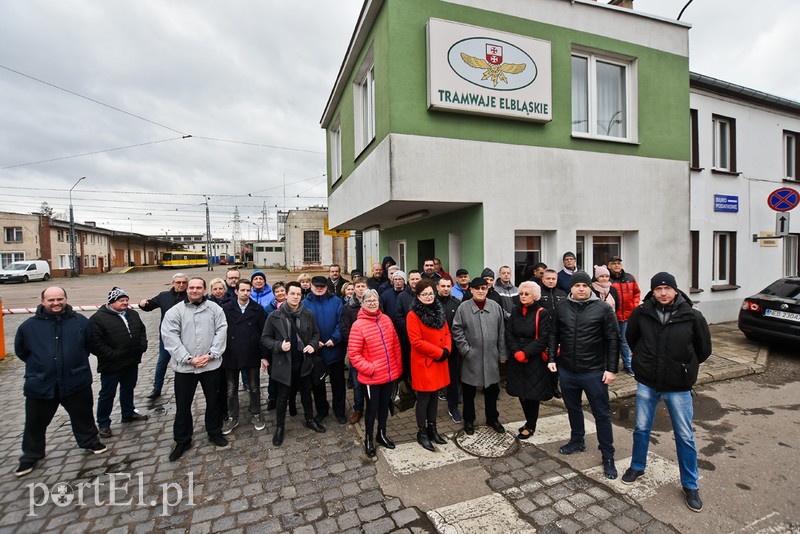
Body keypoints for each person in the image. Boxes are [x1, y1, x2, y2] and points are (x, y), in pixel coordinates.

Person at [622, 272, 712, 513]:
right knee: (641, 427)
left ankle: (690, 485)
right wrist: (643, 360)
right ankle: (637, 466)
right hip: (648, 382)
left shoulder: (692, 316)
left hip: (678, 386)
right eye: (658, 289)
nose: (663, 293)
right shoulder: (642, 313)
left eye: (667, 288)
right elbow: (632, 339)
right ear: (652, 292)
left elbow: (703, 350)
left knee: (684, 435)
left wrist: (684, 368)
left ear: (675, 290)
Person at [14, 287, 108, 477]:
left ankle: (90, 441)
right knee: (35, 422)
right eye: (51, 300)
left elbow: (89, 344)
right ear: (42, 302)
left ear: (66, 299)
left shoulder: (79, 321)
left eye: (59, 299)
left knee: (83, 415)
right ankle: (31, 455)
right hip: (41, 384)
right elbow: (21, 351)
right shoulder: (28, 327)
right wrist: (42, 365)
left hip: (75, 380)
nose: (56, 303)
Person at [548, 271, 620, 479]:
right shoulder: (561, 308)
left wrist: (612, 369)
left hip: (594, 372)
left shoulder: (603, 309)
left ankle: (608, 455)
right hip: (568, 371)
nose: (581, 289)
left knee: (602, 414)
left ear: (590, 287)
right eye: (577, 285)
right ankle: (577, 440)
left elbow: (613, 340)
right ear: (571, 287)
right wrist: (552, 358)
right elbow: (553, 334)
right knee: (573, 408)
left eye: (584, 285)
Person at [161, 277, 229, 461]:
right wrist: (188, 359)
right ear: (187, 290)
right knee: (183, 405)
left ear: (205, 289)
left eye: (198, 287)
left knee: (214, 402)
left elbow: (221, 331)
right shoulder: (175, 312)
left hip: (210, 365)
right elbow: (170, 337)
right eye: (191, 287)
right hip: (185, 368)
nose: (194, 290)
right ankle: (183, 440)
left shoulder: (215, 309)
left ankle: (214, 432)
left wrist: (212, 354)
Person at [261, 281, 326, 446]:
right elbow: (265, 339)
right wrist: (278, 346)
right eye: (293, 294)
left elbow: (316, 333)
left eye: (298, 294)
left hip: (303, 362)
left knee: (306, 393)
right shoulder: (274, 316)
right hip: (284, 363)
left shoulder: (308, 314)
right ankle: (280, 427)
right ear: (286, 295)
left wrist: (312, 345)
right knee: (282, 397)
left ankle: (309, 419)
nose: (296, 297)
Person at [347, 289, 402, 457]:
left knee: (385, 407)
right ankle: (369, 439)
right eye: (368, 300)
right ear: (362, 303)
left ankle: (382, 434)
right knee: (372, 409)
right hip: (371, 378)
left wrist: (397, 367)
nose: (372, 303)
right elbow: (354, 355)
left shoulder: (386, 320)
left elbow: (395, 345)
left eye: (375, 300)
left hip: (389, 373)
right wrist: (370, 369)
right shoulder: (358, 325)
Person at [90, 287, 149, 439]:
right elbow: (95, 342)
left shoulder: (132, 314)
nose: (125, 303)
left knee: (128, 388)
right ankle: (103, 422)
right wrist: (111, 354)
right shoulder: (98, 318)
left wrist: (142, 346)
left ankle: (128, 412)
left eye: (126, 300)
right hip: (111, 364)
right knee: (107, 394)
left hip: (131, 360)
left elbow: (142, 331)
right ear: (111, 302)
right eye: (121, 301)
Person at [451, 277, 508, 435]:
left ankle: (492, 418)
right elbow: (457, 330)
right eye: (477, 289)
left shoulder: (495, 307)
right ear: (471, 290)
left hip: (491, 357)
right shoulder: (464, 308)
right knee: (469, 392)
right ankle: (469, 420)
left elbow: (502, 331)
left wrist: (502, 353)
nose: (481, 291)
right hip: (471, 357)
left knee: (491, 391)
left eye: (483, 288)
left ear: (488, 289)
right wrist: (466, 350)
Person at [407, 279, 451, 451]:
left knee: (434, 398)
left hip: (439, 361)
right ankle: (422, 432)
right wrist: (439, 353)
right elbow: (416, 342)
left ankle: (433, 429)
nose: (428, 297)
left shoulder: (439, 310)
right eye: (424, 294)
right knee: (424, 399)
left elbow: (447, 332)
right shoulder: (413, 315)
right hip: (425, 362)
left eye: (430, 293)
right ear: (418, 296)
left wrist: (447, 349)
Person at [505, 282, 552, 440]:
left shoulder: (542, 313)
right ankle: (528, 421)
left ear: (535, 296)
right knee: (520, 391)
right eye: (521, 293)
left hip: (534, 359)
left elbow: (544, 337)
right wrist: (516, 351)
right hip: (517, 357)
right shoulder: (515, 311)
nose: (523, 296)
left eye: (526, 294)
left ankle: (531, 424)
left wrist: (526, 353)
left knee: (532, 394)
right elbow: (509, 333)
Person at [221, 279, 268, 434]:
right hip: (231, 353)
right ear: (236, 291)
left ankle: (255, 413)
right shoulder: (226, 308)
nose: (246, 293)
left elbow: (263, 333)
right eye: (243, 290)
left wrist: (264, 355)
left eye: (248, 290)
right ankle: (233, 416)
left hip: (251, 352)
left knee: (254, 387)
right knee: (231, 388)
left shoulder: (257, 309)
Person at [139, 272, 188, 400]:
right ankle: (157, 388)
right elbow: (150, 305)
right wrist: (143, 304)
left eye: (184, 282)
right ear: (173, 283)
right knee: (162, 362)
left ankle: (186, 387)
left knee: (186, 362)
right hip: (167, 337)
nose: (181, 285)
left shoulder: (190, 295)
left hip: (186, 336)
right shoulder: (164, 296)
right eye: (178, 282)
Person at [304, 276, 346, 425]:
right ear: (311, 286)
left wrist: (334, 339)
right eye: (317, 286)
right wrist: (315, 342)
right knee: (318, 384)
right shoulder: (305, 303)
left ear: (327, 287)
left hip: (334, 349)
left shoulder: (336, 301)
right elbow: (303, 326)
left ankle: (339, 411)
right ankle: (322, 410)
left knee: (338, 384)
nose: (319, 288)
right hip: (316, 352)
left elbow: (342, 322)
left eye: (322, 286)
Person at [341, 277, 369, 423]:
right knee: (358, 383)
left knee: (372, 381)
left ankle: (372, 407)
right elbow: (345, 329)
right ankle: (358, 408)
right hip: (356, 351)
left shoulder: (374, 304)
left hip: (372, 350)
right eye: (357, 286)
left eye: (363, 286)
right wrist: (358, 342)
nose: (360, 288)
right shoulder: (348, 307)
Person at [608, 256, 641, 376]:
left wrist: (634, 305)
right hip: (612, 317)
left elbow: (637, 293)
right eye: (614, 263)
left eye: (619, 263)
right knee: (612, 341)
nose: (617, 265)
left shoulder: (630, 278)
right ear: (609, 266)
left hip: (627, 315)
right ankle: (612, 366)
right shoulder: (607, 279)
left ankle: (628, 365)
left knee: (625, 341)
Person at [436, 277, 462, 423]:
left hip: (453, 348)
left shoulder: (456, 303)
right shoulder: (431, 303)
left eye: (448, 286)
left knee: (453, 379)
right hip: (435, 349)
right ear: (437, 287)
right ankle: (430, 409)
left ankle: (453, 407)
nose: (446, 288)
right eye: (443, 286)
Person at [538, 269, 566, 398]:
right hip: (543, 333)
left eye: (553, 279)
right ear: (542, 279)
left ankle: (555, 387)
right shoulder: (538, 293)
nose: (550, 281)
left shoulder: (562, 294)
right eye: (548, 278)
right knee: (543, 362)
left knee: (556, 361)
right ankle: (543, 388)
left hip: (560, 333)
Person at [264, 280, 287, 409]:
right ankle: (272, 398)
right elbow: (265, 332)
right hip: (274, 346)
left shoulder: (292, 306)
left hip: (288, 346)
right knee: (273, 375)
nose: (280, 293)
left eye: (282, 290)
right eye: (277, 291)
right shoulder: (269, 309)